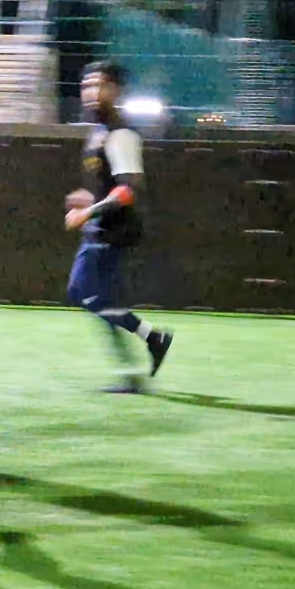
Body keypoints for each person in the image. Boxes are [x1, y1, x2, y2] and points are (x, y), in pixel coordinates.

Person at [65, 61, 173, 394]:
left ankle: (147, 345)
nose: (91, 93)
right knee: (94, 299)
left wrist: (88, 212)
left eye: (100, 85)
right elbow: (108, 184)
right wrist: (88, 198)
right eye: (86, 86)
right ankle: (146, 347)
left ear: (116, 90)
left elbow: (127, 190)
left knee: (85, 295)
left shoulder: (121, 133)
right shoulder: (99, 131)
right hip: (100, 230)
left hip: (113, 233)